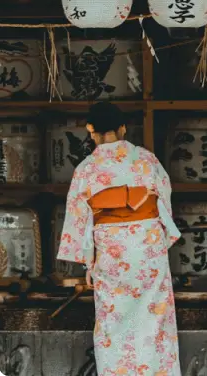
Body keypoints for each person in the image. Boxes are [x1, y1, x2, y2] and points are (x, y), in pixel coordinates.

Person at [57, 101, 182, 376]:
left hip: (111, 248)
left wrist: (88, 263)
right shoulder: (147, 160)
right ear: (123, 128)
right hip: (147, 245)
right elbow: (164, 203)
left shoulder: (87, 169)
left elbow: (79, 218)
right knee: (155, 318)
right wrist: (157, 240)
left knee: (113, 321)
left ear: (91, 131)